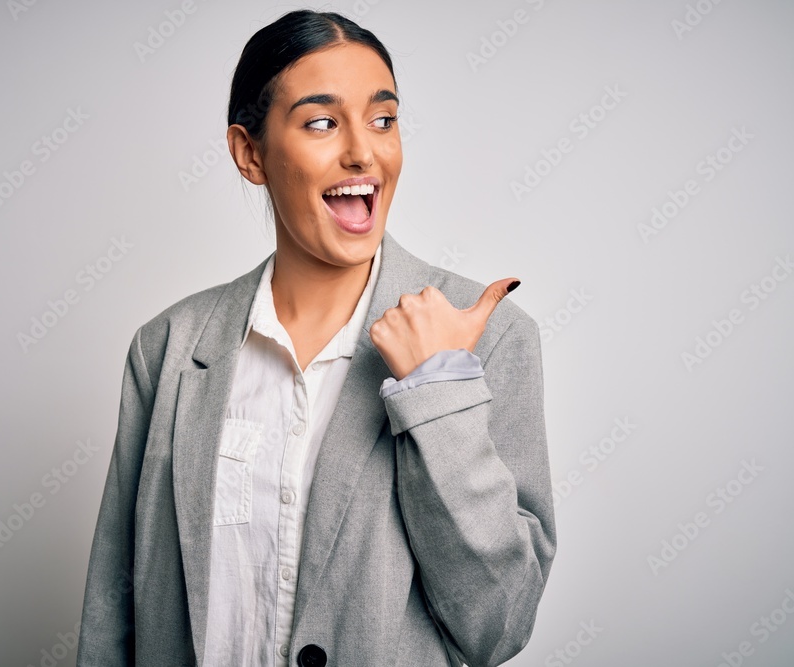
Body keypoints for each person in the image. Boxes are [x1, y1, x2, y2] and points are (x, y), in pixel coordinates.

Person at [76, 9, 556, 667]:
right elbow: (114, 607)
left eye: (383, 119)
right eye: (322, 122)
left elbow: (498, 625)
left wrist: (437, 388)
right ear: (250, 153)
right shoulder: (167, 347)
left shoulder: (490, 336)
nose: (363, 150)